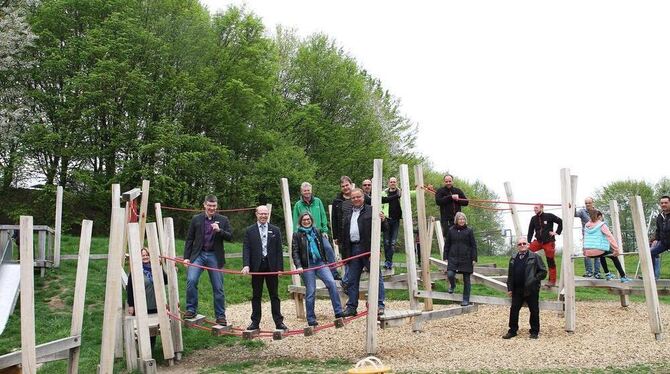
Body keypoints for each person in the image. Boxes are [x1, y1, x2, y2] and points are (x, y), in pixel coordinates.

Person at [183, 195, 232, 325]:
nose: (211, 208)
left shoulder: (223, 219)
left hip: (214, 256)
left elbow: (230, 237)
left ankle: (220, 316)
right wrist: (187, 258)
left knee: (218, 287)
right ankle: (191, 309)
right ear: (204, 205)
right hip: (198, 255)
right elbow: (189, 239)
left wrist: (219, 230)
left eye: (214, 206)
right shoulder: (196, 219)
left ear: (216, 206)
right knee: (191, 280)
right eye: (209, 205)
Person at [339, 188, 386, 316]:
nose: (356, 199)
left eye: (358, 197)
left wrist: (383, 220)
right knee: (353, 279)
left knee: (377, 277)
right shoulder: (348, 213)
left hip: (368, 249)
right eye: (353, 197)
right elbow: (344, 235)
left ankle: (380, 305)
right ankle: (352, 307)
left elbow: (383, 229)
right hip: (353, 249)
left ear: (363, 197)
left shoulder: (371, 211)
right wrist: (345, 256)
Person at [292, 212, 344, 326]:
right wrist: (299, 266)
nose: (306, 221)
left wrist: (327, 261)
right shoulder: (297, 235)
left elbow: (324, 248)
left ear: (311, 220)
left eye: (308, 219)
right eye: (304, 220)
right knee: (311, 290)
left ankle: (338, 311)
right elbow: (295, 252)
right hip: (307, 265)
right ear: (300, 221)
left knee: (331, 283)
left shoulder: (317, 232)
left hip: (320, 262)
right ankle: (311, 318)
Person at [241, 205, 287, 331]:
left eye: (265, 214)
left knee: (274, 295)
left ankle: (279, 322)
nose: (263, 216)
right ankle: (255, 323)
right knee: (256, 295)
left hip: (271, 266)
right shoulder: (249, 230)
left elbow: (279, 251)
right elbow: (246, 249)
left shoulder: (275, 230)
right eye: (261, 213)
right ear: (256, 214)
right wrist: (246, 265)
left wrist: (280, 268)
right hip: (256, 267)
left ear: (268, 215)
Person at [292, 181, 341, 280]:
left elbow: (323, 215)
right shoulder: (298, 205)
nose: (307, 192)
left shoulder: (318, 201)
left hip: (318, 232)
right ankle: (308, 275)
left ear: (311, 191)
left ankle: (334, 273)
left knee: (328, 248)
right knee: (305, 253)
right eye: (305, 191)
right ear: (301, 192)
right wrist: (297, 234)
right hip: (304, 234)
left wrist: (324, 230)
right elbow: (296, 220)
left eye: (308, 190)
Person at [503, 238, 547, 340]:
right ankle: (512, 331)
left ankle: (534, 331)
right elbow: (510, 275)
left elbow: (543, 271)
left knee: (534, 310)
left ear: (528, 245)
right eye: (519, 244)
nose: (522, 245)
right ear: (517, 246)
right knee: (514, 310)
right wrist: (510, 288)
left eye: (524, 243)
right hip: (517, 289)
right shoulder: (513, 258)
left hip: (531, 289)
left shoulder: (535, 257)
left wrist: (534, 279)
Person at [127, 248, 168, 349]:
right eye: (143, 255)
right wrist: (131, 305)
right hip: (142, 305)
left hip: (155, 304)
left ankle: (151, 350)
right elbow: (130, 288)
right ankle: (143, 350)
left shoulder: (155, 267)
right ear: (139, 257)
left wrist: (160, 266)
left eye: (147, 255)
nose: (145, 257)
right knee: (143, 329)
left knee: (153, 330)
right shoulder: (136, 270)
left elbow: (165, 281)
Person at [583, 210, 631, 282]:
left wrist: (584, 250)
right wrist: (616, 249)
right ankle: (623, 276)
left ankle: (607, 274)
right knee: (614, 257)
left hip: (588, 252)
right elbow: (610, 236)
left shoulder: (586, 225)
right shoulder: (601, 225)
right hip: (598, 251)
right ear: (599, 217)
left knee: (602, 255)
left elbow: (585, 238)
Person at [443, 212, 477, 306]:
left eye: (463, 219)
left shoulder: (469, 231)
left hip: (466, 258)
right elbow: (447, 245)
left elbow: (473, 245)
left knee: (467, 280)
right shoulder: (451, 230)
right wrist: (445, 256)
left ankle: (465, 299)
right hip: (453, 257)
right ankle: (453, 285)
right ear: (456, 220)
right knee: (450, 274)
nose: (462, 221)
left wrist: (474, 258)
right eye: (460, 219)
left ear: (465, 220)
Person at [527, 204, 562, 286]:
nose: (534, 209)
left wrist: (557, 232)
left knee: (550, 261)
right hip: (538, 242)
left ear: (542, 208)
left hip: (549, 242)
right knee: (526, 251)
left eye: (536, 208)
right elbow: (530, 231)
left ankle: (552, 281)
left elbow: (560, 221)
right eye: (534, 208)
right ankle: (530, 273)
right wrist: (528, 242)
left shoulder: (549, 216)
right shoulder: (533, 218)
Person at [575, 197, 601, 277]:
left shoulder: (597, 212)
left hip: (596, 235)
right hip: (586, 236)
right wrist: (573, 206)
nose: (587, 204)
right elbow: (575, 214)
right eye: (586, 203)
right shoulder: (582, 211)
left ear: (593, 203)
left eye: (589, 203)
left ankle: (597, 273)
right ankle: (589, 272)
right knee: (587, 253)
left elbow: (601, 222)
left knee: (598, 254)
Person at [383, 177, 403, 269]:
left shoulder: (401, 192)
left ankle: (389, 261)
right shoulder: (384, 193)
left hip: (396, 220)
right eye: (391, 182)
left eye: (394, 182)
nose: (393, 183)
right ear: (388, 183)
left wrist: (419, 188)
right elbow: (382, 201)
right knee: (386, 242)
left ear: (397, 182)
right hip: (387, 220)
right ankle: (387, 261)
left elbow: (412, 193)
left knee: (393, 242)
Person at [651, 195, 670, 280]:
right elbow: (658, 230)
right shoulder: (660, 216)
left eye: (666, 202)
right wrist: (656, 239)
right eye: (662, 203)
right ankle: (654, 275)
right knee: (651, 253)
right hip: (664, 243)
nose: (663, 204)